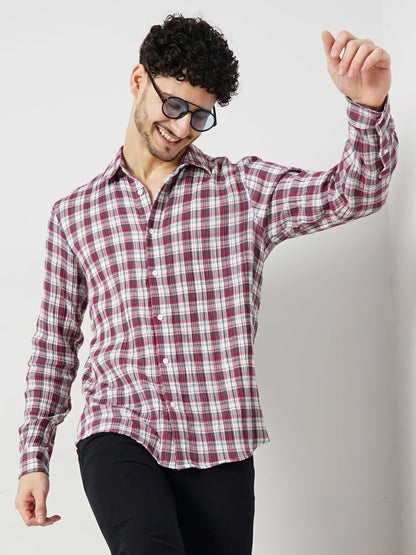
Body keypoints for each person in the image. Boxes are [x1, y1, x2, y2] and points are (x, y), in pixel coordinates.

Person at [15, 13, 398, 555]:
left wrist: (367, 107)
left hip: (219, 436)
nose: (182, 127)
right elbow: (55, 342)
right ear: (138, 80)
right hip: (117, 425)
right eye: (173, 105)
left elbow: (354, 194)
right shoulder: (75, 214)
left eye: (200, 115)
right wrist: (34, 456)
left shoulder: (242, 192)